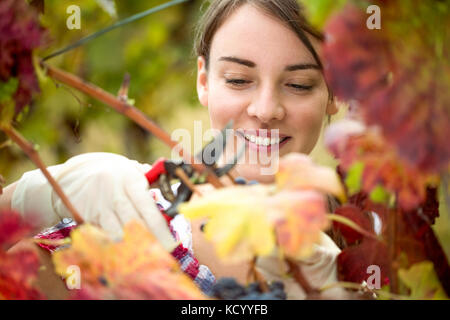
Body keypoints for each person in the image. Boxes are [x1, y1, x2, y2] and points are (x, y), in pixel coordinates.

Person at [0, 0, 345, 299]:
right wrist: (24, 199)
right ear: (203, 81)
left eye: (299, 85)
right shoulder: (120, 223)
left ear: (333, 93)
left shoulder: (365, 245)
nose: (267, 109)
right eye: (239, 79)